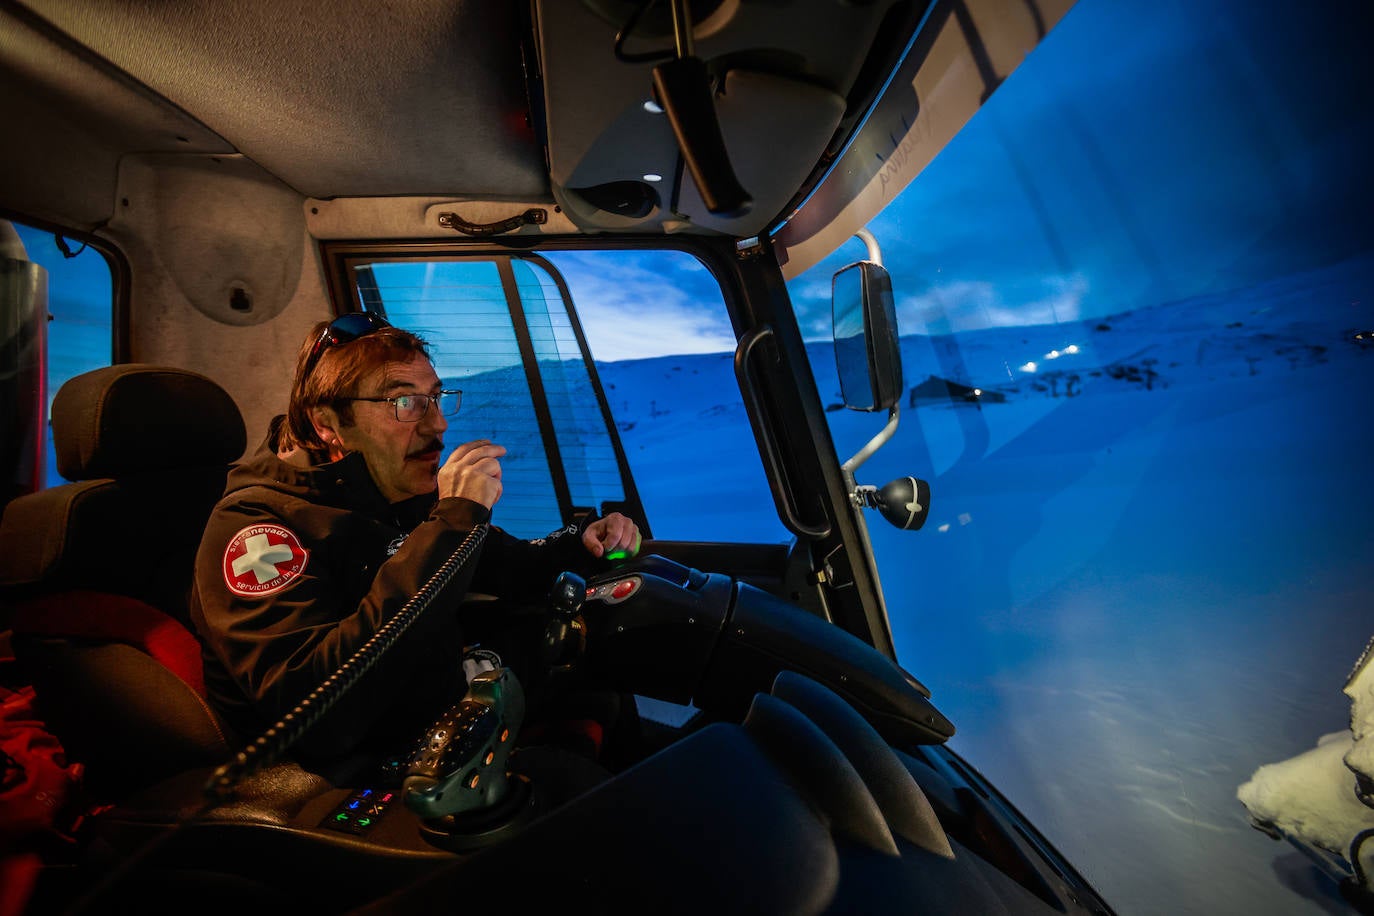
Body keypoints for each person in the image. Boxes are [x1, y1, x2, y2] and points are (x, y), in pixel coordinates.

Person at [189, 312, 641, 762]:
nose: (437, 425)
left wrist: (581, 540)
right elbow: (315, 706)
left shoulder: (391, 489)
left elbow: (507, 565)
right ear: (326, 423)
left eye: (436, 398)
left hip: (439, 712)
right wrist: (454, 521)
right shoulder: (258, 529)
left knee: (620, 661)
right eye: (406, 403)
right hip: (356, 768)